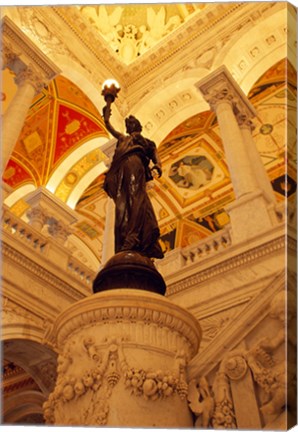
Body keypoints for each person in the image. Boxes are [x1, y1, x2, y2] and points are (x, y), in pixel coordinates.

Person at [102, 104, 164, 259]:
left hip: (136, 165)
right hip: (122, 168)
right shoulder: (124, 139)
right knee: (123, 204)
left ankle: (133, 236)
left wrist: (157, 166)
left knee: (136, 197)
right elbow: (111, 129)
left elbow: (156, 157)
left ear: (138, 126)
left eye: (131, 124)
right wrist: (107, 116)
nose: (128, 126)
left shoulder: (146, 142)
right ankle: (127, 237)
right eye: (127, 125)